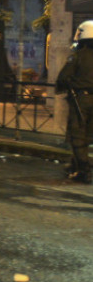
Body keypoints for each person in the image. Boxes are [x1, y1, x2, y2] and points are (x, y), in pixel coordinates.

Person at [56, 21, 93, 183]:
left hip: (81, 99)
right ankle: (74, 164)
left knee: (77, 134)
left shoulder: (78, 55)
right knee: (89, 134)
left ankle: (83, 170)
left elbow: (63, 78)